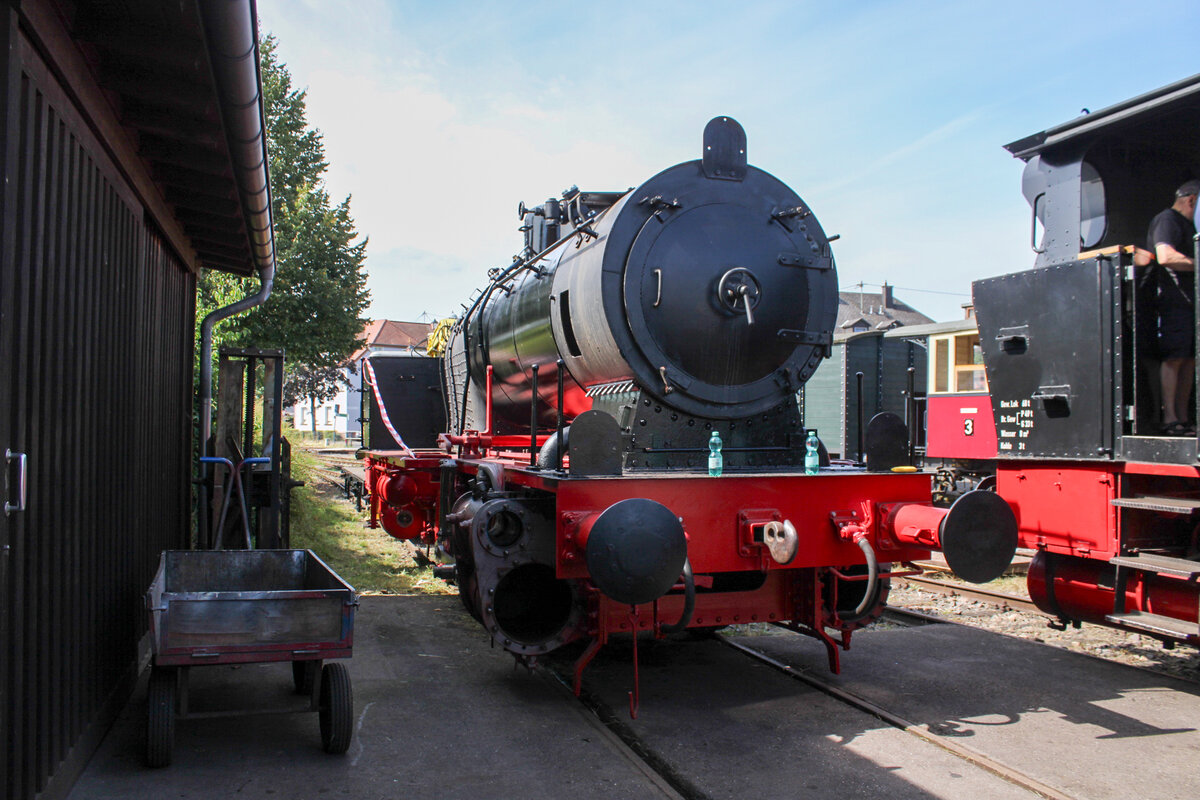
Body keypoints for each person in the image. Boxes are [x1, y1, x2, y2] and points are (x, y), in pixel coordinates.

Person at [1148, 179, 1199, 435]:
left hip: (1190, 302)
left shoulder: (1189, 226)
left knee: (1189, 360)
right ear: (1191, 200)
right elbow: (1165, 256)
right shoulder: (1167, 220)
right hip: (1172, 301)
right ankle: (1169, 417)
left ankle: (1183, 417)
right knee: (1175, 359)